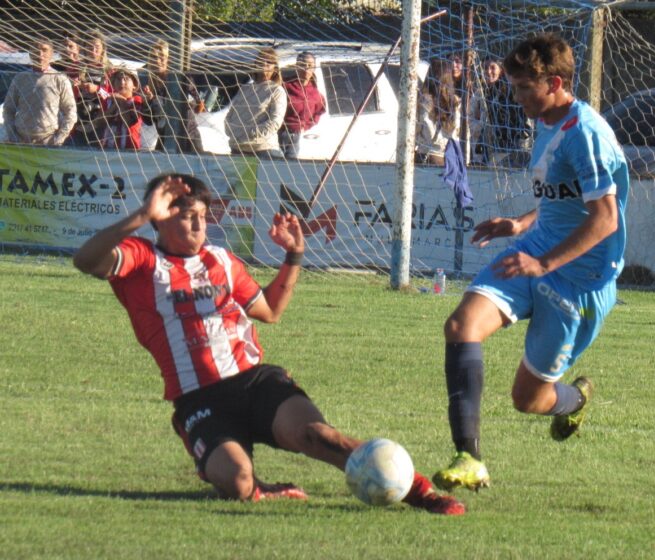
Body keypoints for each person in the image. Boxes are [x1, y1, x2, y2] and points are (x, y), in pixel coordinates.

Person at [72, 173, 465, 515]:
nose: (197, 225)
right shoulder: (140, 260)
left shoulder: (222, 261)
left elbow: (271, 311)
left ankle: (419, 491)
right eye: (185, 215)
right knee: (239, 484)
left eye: (203, 217)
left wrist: (294, 254)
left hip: (254, 383)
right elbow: (86, 260)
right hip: (197, 400)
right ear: (159, 219)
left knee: (321, 436)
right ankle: (241, 476)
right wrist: (142, 215)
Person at [431, 33, 629, 492]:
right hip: (534, 249)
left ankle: (575, 399)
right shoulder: (546, 120)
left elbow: (604, 220)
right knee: (461, 326)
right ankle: (469, 457)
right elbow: (566, 200)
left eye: (524, 88)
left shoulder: (586, 135)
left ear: (555, 82)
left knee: (528, 399)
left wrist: (544, 265)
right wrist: (521, 225)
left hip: (581, 279)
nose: (516, 96)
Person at [2, 38, 77, 146]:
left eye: (44, 50)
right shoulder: (20, 78)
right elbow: (8, 109)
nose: (40, 54)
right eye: (36, 50)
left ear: (51, 54)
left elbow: (71, 112)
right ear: (30, 53)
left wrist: (59, 138)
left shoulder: (60, 79)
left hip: (48, 141)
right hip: (21, 141)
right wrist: (13, 135)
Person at [142, 38, 204, 153]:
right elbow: (148, 121)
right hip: (165, 139)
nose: (158, 61)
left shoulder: (181, 79)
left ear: (169, 60)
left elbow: (193, 104)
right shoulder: (149, 84)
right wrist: (147, 102)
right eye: (154, 57)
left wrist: (156, 100)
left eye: (162, 57)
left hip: (187, 139)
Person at [469, 56, 533, 167]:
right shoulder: (484, 92)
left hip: (510, 149)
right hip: (494, 148)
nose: (488, 71)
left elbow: (518, 121)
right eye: (485, 68)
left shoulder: (509, 91)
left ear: (501, 70)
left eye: (492, 67)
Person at [225, 47, 287, 158]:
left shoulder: (277, 91)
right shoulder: (245, 88)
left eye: (269, 61)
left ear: (275, 68)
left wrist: (249, 133)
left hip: (264, 150)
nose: (264, 63)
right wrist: (231, 131)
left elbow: (275, 122)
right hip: (238, 149)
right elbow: (231, 113)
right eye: (261, 60)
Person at [279, 51, 326, 159]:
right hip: (281, 133)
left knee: (291, 167)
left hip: (299, 135)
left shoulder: (315, 92)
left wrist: (307, 125)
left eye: (310, 66)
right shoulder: (286, 86)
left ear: (314, 68)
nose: (306, 69)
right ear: (296, 66)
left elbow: (320, 110)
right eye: (302, 65)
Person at [71, 29, 113, 146]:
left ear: (103, 48)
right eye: (89, 47)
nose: (93, 51)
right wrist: (74, 87)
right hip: (78, 124)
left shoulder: (110, 71)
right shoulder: (76, 68)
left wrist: (97, 90)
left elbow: (113, 97)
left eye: (96, 47)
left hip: (100, 125)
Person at [416, 58, 460, 166]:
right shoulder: (456, 103)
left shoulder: (423, 101)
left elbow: (415, 131)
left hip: (424, 157)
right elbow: (459, 134)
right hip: (448, 160)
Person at [100, 68, 146, 150]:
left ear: (134, 85)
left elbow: (128, 121)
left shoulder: (137, 100)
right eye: (118, 79)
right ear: (113, 84)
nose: (122, 82)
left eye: (126, 79)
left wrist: (121, 101)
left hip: (130, 149)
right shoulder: (109, 100)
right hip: (108, 148)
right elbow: (101, 120)